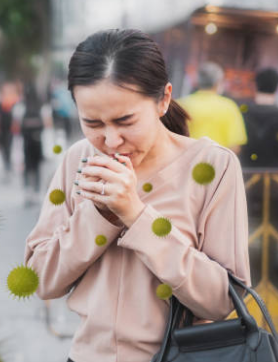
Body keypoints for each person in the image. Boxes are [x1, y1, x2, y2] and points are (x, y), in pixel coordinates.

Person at [24, 29, 250, 362]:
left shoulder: (213, 166)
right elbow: (40, 279)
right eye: (93, 123)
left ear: (164, 99)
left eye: (125, 120)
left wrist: (136, 215)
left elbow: (221, 300)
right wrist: (99, 216)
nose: (111, 140)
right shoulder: (78, 160)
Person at [239, 68, 278, 220]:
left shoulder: (242, 111)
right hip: (274, 182)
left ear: (255, 85)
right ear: (277, 87)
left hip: (243, 180)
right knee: (271, 228)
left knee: (240, 226)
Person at [179, 62, 247, 155]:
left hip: (186, 164)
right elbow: (235, 146)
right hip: (217, 166)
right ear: (218, 82)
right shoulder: (229, 107)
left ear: (198, 81)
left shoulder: (181, 105)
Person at [21, 83, 44, 207]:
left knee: (27, 167)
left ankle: (28, 191)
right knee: (36, 168)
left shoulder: (21, 107)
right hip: (38, 142)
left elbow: (16, 126)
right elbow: (46, 124)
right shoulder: (42, 108)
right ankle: (36, 191)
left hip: (26, 143)